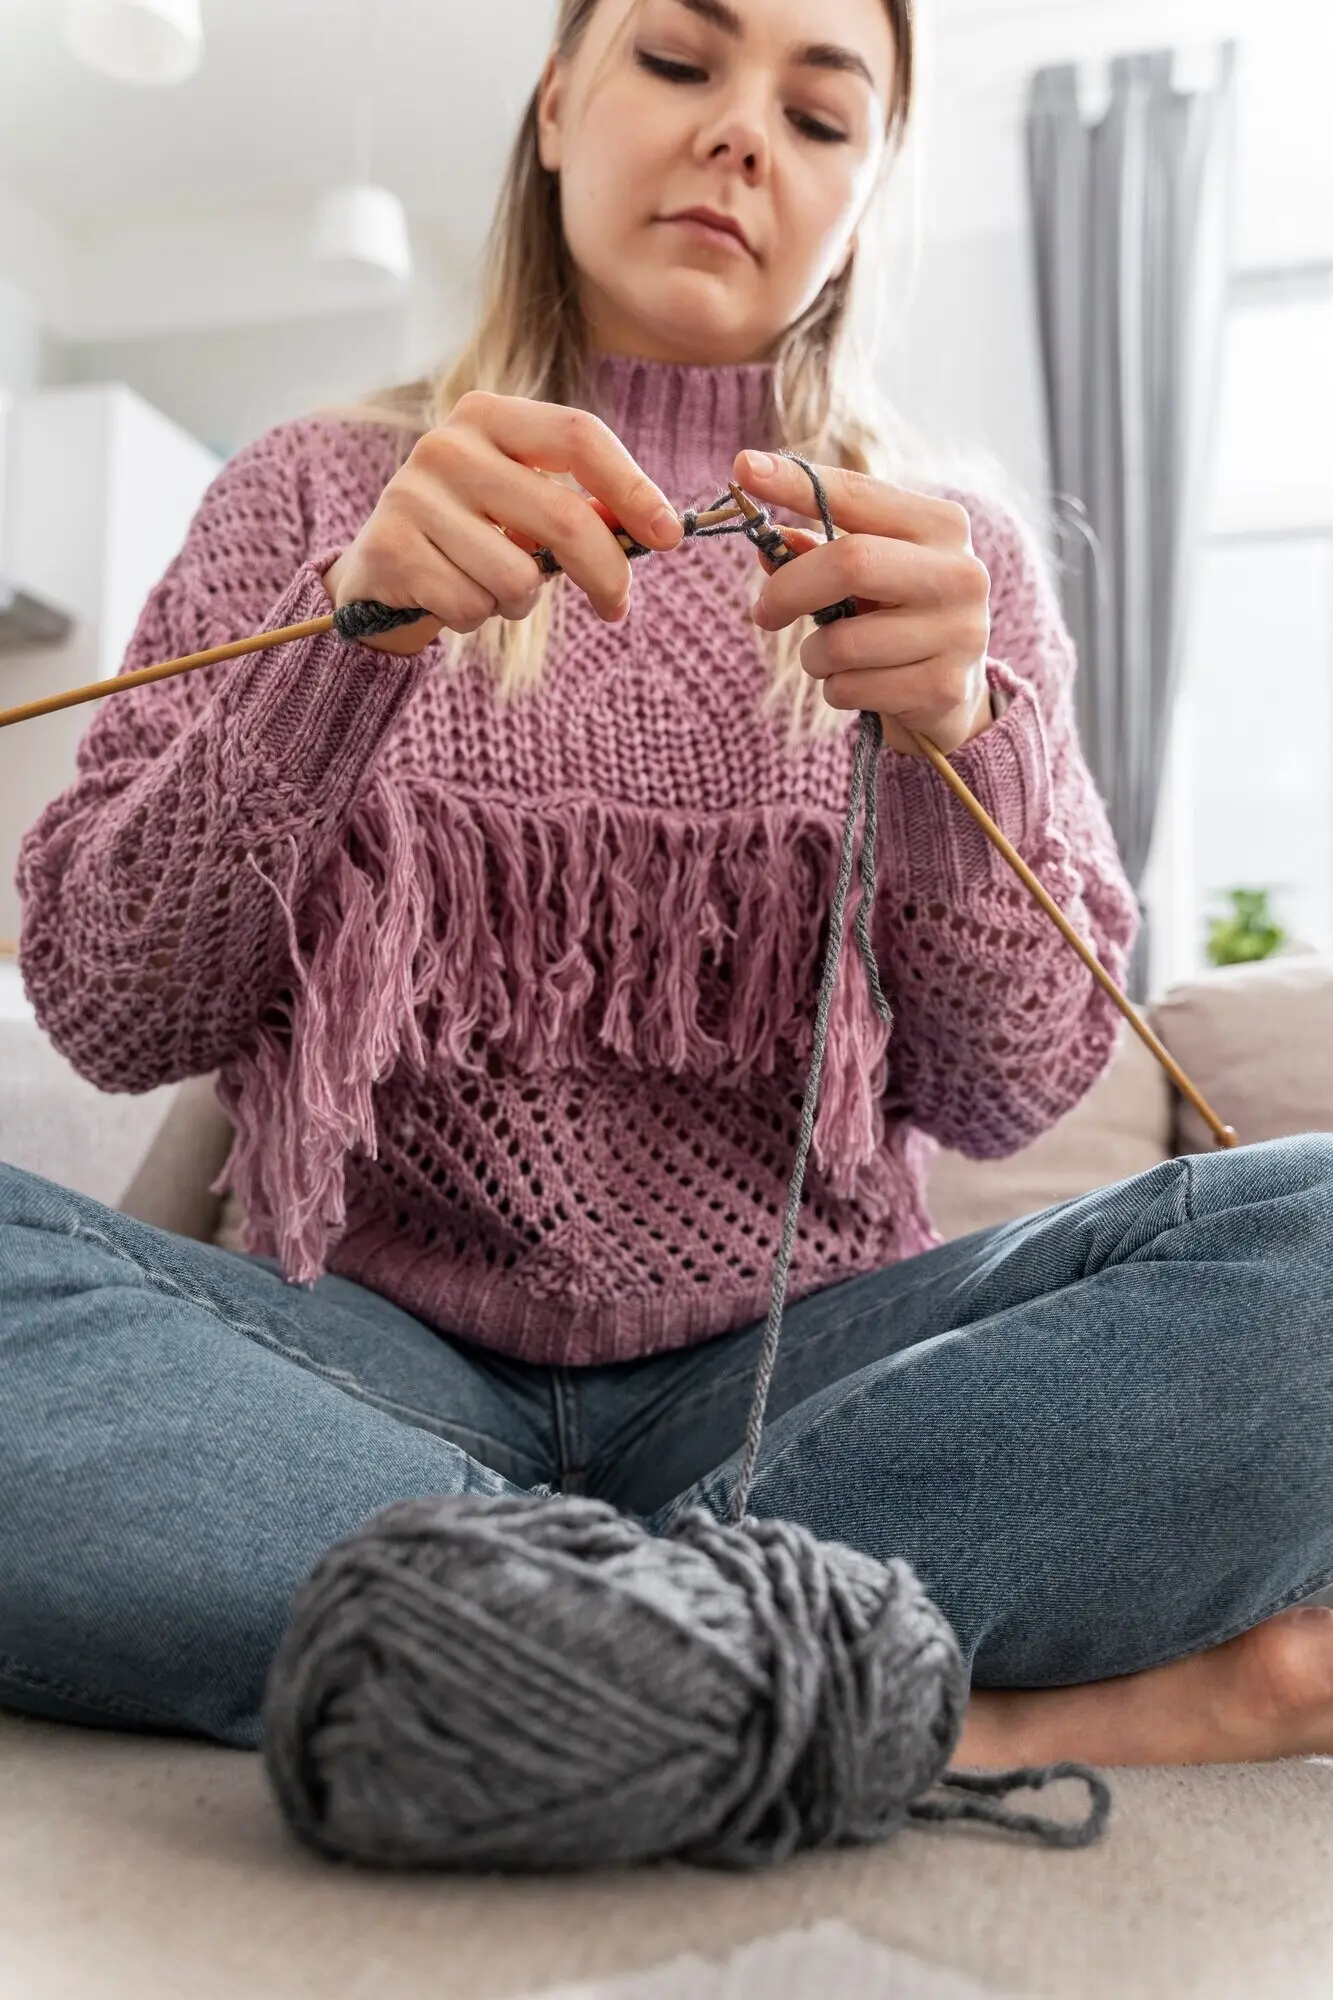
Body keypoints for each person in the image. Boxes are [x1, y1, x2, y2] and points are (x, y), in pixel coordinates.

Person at [5, 0, 1332, 1774]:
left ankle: (491, 1645)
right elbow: (107, 1003)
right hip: (357, 1372)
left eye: (821, 111)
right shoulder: (314, 488)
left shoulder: (952, 555)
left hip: (818, 1388)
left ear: (868, 192)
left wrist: (961, 739)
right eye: (682, 62)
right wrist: (341, 650)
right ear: (558, 104)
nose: (740, 137)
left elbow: (1011, 1080)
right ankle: (902, 1688)